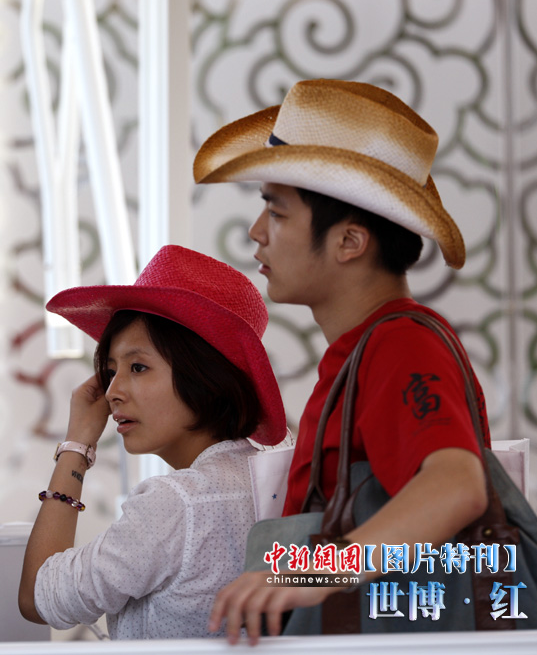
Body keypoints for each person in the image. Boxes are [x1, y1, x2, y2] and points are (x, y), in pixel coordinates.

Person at [193, 79, 491, 643]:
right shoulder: (364, 350)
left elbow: (458, 486)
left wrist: (307, 572)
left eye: (277, 211)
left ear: (350, 242)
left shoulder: (400, 344)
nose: (256, 232)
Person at [18, 245, 286, 639]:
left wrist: (76, 445)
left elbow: (36, 599)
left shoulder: (175, 502)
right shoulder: (276, 477)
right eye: (111, 371)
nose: (113, 392)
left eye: (138, 367)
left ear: (205, 377)